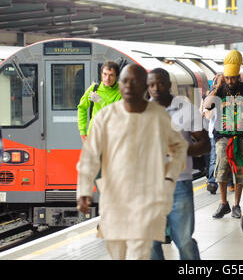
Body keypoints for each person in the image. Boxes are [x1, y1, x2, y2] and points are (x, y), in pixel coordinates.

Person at [76, 64, 188, 260]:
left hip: (148, 199)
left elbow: (179, 147)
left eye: (133, 82)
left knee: (139, 253)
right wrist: (84, 190)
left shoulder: (158, 115)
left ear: (144, 86)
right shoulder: (105, 116)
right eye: (124, 82)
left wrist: (169, 177)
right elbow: (90, 155)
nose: (128, 86)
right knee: (117, 252)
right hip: (114, 199)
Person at [148, 68, 210, 260]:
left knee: (183, 240)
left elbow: (205, 144)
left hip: (179, 183)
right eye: (151, 85)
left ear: (168, 85)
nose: (155, 88)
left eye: (159, 83)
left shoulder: (185, 108)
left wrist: (182, 150)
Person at [204, 50, 243, 219]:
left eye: (233, 78)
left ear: (238, 76)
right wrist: (216, 87)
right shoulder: (220, 90)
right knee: (221, 171)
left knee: (240, 172)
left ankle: (236, 204)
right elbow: (207, 106)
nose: (230, 81)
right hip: (223, 136)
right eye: (227, 78)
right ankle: (223, 203)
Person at [77, 61, 121, 142]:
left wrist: (100, 101)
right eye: (105, 74)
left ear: (117, 76)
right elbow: (82, 108)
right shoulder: (94, 88)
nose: (107, 78)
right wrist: (82, 131)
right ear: (101, 74)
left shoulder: (121, 92)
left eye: (111, 75)